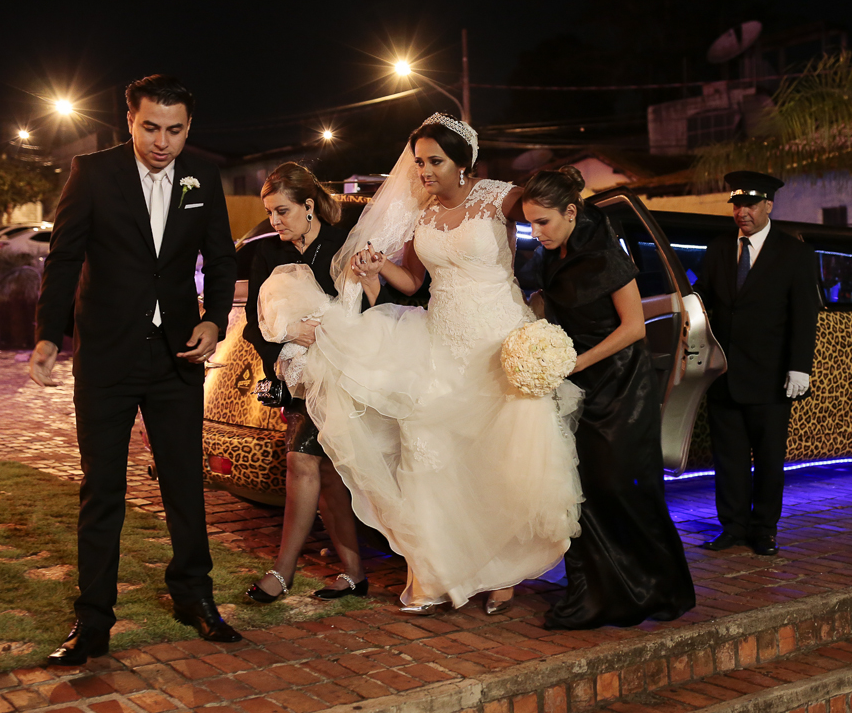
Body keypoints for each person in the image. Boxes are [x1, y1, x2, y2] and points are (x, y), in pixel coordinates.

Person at [299, 113, 582, 615]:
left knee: (498, 461)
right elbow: (411, 282)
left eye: (434, 161)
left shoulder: (503, 197)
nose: (423, 171)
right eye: (419, 161)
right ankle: (431, 575)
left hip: (498, 344)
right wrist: (377, 263)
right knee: (427, 453)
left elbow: (555, 222)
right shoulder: (421, 212)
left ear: (463, 163)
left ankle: (503, 572)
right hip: (439, 342)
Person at [29, 75, 240, 666]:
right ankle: (93, 619)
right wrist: (50, 335)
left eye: (175, 130)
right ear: (130, 120)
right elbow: (65, 257)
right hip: (106, 354)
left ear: (188, 128)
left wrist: (215, 321)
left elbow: (220, 257)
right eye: (151, 127)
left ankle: (194, 595)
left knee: (183, 481)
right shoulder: (91, 173)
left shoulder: (204, 176)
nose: (162, 141)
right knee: (103, 489)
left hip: (176, 354)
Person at [521, 166, 696, 629]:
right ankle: (592, 596)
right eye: (531, 223)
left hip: (620, 385)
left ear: (571, 212)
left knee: (621, 487)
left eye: (544, 222)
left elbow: (634, 328)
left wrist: (577, 362)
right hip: (576, 385)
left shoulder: (606, 252)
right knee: (583, 493)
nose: (536, 233)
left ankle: (657, 588)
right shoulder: (551, 254)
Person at [241, 163, 367, 604]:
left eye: (282, 211)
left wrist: (329, 334)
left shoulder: (340, 248)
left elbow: (365, 311)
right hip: (295, 380)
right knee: (324, 473)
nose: (274, 222)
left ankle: (283, 571)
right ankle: (354, 573)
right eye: (270, 212)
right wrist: (283, 343)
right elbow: (252, 327)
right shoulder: (266, 256)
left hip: (341, 376)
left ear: (308, 206)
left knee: (302, 464)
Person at [693, 171, 820, 557]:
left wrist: (800, 366)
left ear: (768, 205)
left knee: (768, 459)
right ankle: (732, 526)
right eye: (736, 205)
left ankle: (764, 529)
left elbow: (804, 313)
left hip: (770, 376)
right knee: (728, 459)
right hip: (725, 374)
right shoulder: (718, 249)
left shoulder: (794, 252)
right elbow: (702, 297)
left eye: (750, 205)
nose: (741, 212)